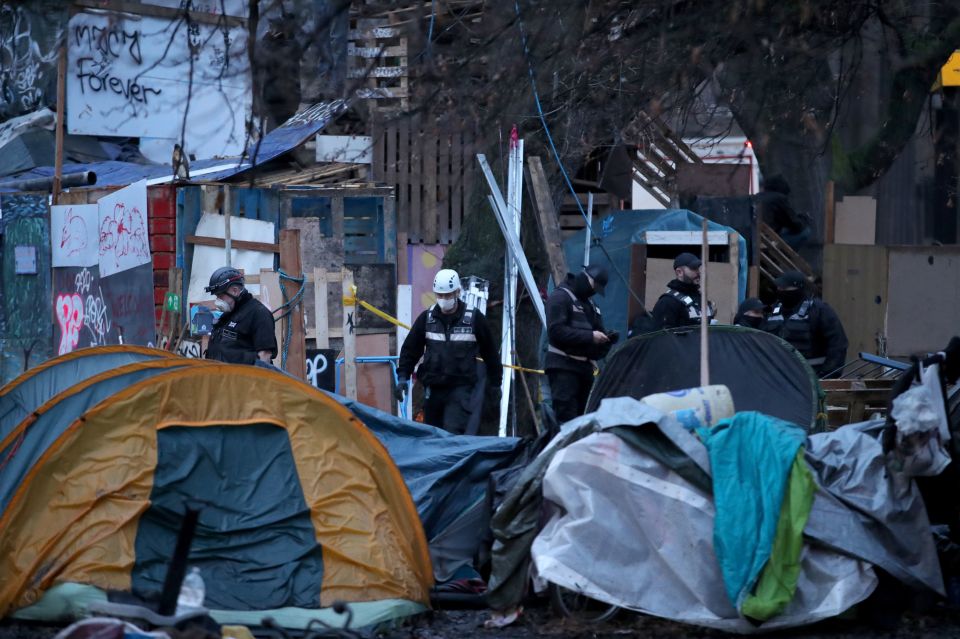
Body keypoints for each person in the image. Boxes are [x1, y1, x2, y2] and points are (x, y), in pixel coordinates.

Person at [396, 268, 501, 433]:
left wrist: (496, 384)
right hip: (434, 389)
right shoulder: (427, 319)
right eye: (439, 295)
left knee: (452, 432)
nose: (443, 299)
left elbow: (491, 353)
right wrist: (403, 377)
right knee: (433, 435)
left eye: (447, 295)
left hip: (461, 389)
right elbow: (410, 350)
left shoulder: (474, 319)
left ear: (458, 292)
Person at [545, 265, 618, 425]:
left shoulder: (592, 306)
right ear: (586, 277)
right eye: (594, 286)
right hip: (563, 368)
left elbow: (596, 343)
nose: (593, 291)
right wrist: (590, 336)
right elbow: (556, 331)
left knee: (582, 422)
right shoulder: (560, 297)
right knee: (566, 422)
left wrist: (607, 341)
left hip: (584, 371)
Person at [764, 270, 848, 377]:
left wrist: (827, 375)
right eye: (779, 287)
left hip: (810, 377)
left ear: (798, 288)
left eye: (784, 288)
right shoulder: (774, 311)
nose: (780, 290)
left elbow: (838, 344)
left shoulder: (819, 310)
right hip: (777, 377)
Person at [204, 266, 278, 365]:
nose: (218, 300)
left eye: (220, 295)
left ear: (235, 291)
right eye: (217, 296)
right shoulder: (229, 315)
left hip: (243, 379)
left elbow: (264, 356)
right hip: (222, 378)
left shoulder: (258, 313)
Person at [650, 252, 714, 329]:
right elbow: (662, 337)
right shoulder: (667, 302)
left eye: (698, 268)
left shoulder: (700, 297)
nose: (698, 272)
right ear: (679, 272)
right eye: (693, 268)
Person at [754, 175, 811, 251]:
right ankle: (783, 257)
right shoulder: (779, 198)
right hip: (768, 242)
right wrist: (805, 219)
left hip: (754, 240)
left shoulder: (756, 197)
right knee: (805, 232)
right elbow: (796, 225)